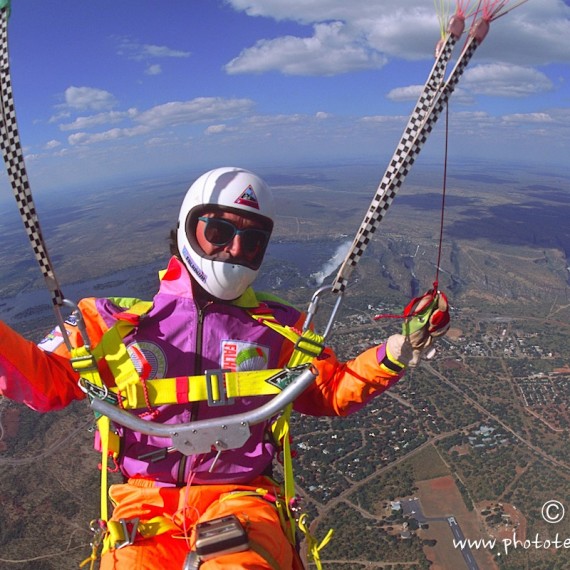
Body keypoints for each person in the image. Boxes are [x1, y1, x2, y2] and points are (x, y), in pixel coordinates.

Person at [0, 167, 450, 569]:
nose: (234, 249)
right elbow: (46, 382)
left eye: (252, 242)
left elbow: (327, 392)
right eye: (217, 231)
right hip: (143, 502)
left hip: (241, 495)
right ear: (188, 229)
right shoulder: (109, 322)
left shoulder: (283, 329)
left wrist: (393, 353)